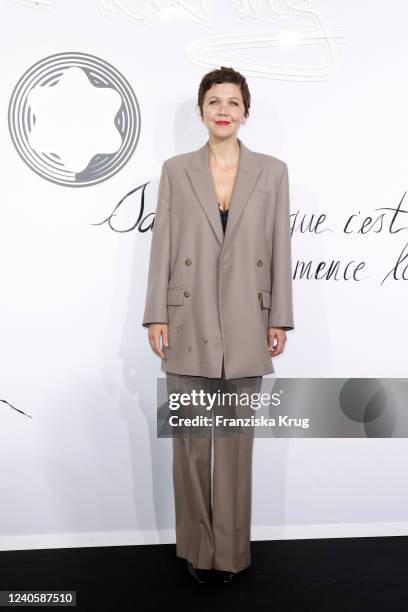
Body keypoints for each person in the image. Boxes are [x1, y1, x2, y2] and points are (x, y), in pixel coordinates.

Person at [142, 66, 294, 584]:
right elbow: (162, 243)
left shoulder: (272, 172)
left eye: (232, 102)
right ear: (202, 111)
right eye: (213, 102)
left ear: (245, 111)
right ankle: (195, 548)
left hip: (248, 321)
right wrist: (157, 312)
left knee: (234, 446)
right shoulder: (175, 169)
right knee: (189, 444)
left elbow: (279, 249)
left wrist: (281, 319)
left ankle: (229, 554)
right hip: (187, 317)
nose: (223, 110)